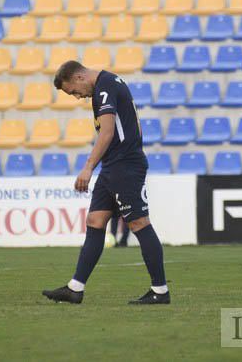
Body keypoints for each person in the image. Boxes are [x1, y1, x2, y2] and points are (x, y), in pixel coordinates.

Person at [42, 61, 169, 305]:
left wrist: (88, 167)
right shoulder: (107, 84)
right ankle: (75, 288)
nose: (78, 97)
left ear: (79, 77)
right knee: (95, 221)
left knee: (139, 223)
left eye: (73, 91)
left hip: (125, 165)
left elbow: (107, 132)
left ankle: (160, 291)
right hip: (112, 166)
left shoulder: (105, 87)